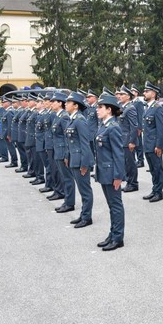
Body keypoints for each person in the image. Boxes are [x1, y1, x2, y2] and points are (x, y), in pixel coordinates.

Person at [94, 93, 126, 251]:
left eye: (100, 107)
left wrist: (118, 176)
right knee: (111, 205)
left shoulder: (113, 128)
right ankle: (112, 234)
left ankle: (118, 238)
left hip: (112, 173)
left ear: (109, 109)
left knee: (116, 205)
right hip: (104, 172)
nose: (97, 110)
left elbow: (119, 154)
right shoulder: (104, 125)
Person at [64, 92, 95, 228]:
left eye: (68, 102)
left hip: (80, 161)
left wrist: (85, 163)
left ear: (75, 105)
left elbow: (85, 143)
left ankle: (87, 217)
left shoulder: (80, 120)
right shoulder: (73, 119)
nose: (65, 104)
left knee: (85, 190)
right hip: (74, 159)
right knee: (82, 190)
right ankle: (83, 214)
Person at [50, 91, 75, 212]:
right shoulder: (58, 116)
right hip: (57, 150)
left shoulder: (64, 116)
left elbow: (67, 137)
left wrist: (66, 154)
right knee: (63, 177)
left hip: (62, 151)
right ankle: (67, 200)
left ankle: (69, 203)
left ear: (60, 103)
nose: (51, 104)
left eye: (53, 102)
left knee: (67, 178)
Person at [141, 81, 163, 203]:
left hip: (154, 145)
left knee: (157, 169)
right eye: (144, 91)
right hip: (147, 144)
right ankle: (154, 189)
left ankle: (158, 192)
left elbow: (161, 129)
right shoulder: (148, 108)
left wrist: (159, 145)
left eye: (146, 91)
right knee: (152, 169)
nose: (144, 93)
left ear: (154, 93)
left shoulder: (157, 108)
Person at [115, 85, 139, 192]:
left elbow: (134, 126)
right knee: (126, 162)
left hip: (128, 140)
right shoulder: (122, 107)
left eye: (122, 94)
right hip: (122, 139)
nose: (120, 96)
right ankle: (129, 181)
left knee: (130, 163)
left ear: (128, 97)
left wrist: (132, 141)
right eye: (119, 94)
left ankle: (133, 183)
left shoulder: (130, 108)